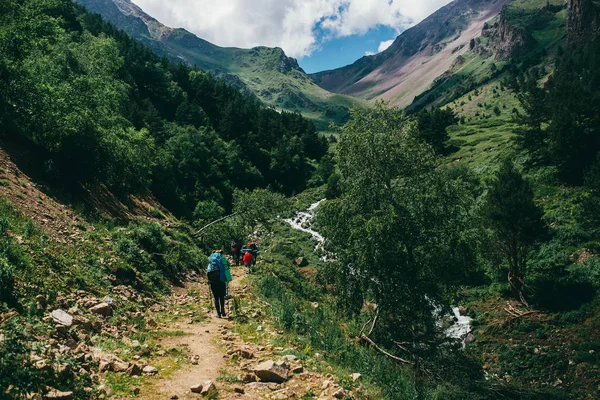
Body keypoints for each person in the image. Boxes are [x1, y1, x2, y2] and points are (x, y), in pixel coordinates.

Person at [207, 250, 231, 318]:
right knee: (221, 296)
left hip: (212, 281)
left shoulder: (211, 262)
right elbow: (226, 269)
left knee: (216, 297)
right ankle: (223, 311)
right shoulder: (222, 260)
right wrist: (227, 278)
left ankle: (218, 314)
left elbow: (208, 272)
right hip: (221, 280)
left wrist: (209, 281)